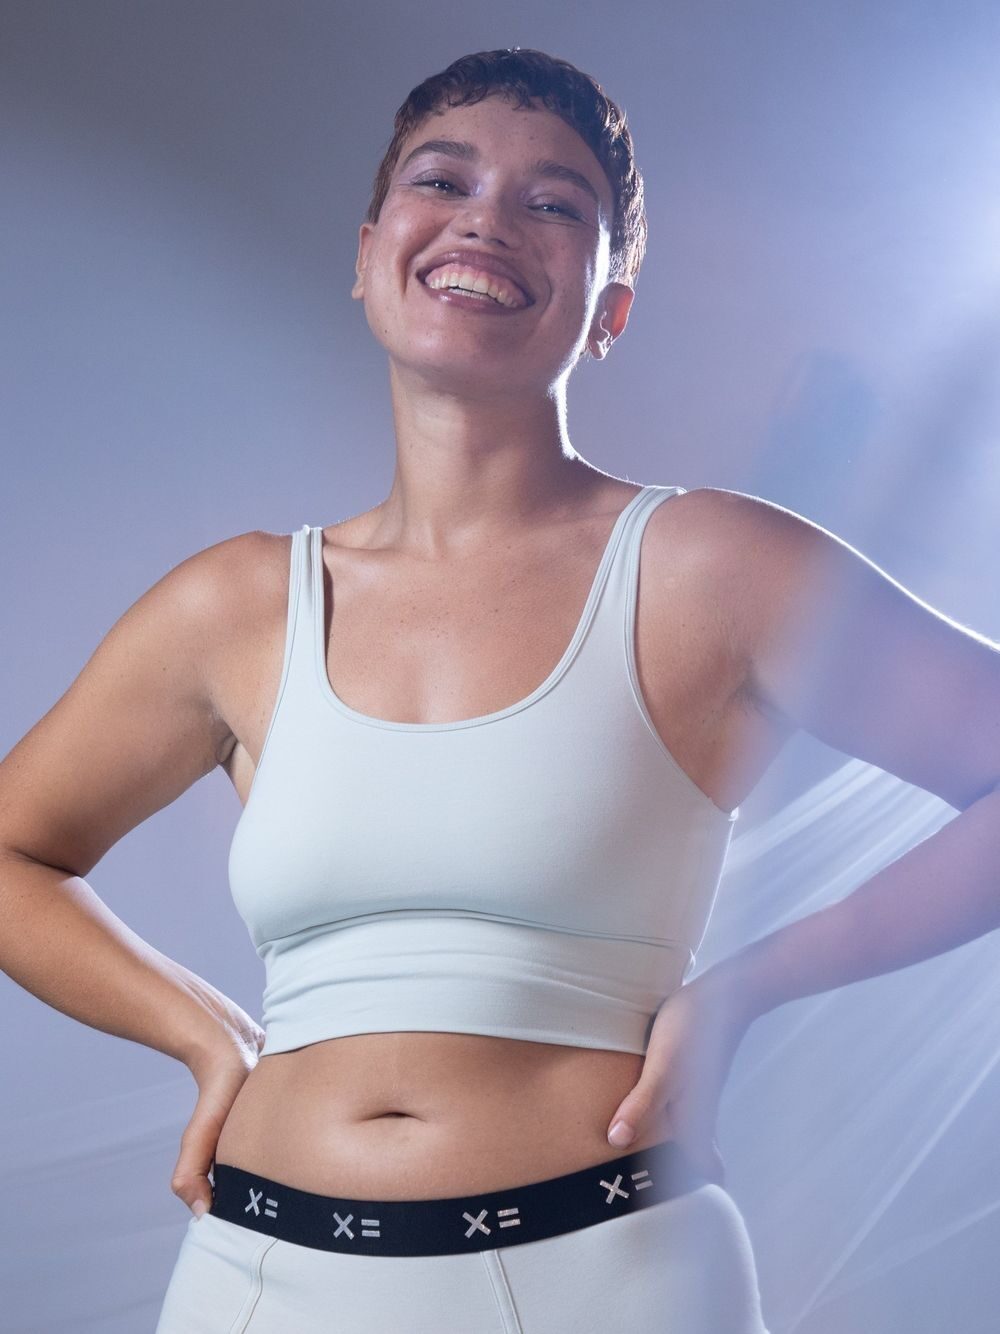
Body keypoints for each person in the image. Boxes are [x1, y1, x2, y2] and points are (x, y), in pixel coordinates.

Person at [2, 46, 998, 1334]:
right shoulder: (236, 604)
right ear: (371, 252)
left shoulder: (709, 566)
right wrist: (204, 1036)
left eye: (554, 203)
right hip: (256, 1281)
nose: (486, 217)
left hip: (602, 1275)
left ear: (609, 307)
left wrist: (743, 987)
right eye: (444, 178)